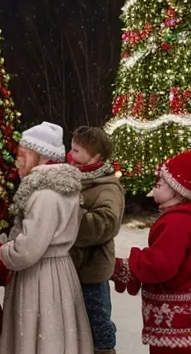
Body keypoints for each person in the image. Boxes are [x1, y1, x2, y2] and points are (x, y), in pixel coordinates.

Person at [0, 121, 94, 354]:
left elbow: (29, 249)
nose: (17, 161)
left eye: (23, 155)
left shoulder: (45, 195)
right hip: (57, 271)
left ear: (41, 157)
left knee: (44, 331)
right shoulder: (58, 190)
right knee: (56, 331)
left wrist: (3, 251)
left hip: (42, 276)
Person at [111, 150, 191, 354]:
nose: (154, 187)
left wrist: (124, 266)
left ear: (177, 191)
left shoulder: (176, 223)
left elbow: (161, 265)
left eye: (159, 184)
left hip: (175, 320)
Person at [68, 126, 125, 354]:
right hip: (73, 266)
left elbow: (106, 223)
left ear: (97, 157)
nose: (71, 155)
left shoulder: (107, 187)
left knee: (97, 320)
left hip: (92, 270)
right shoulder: (73, 177)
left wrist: (71, 214)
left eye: (78, 151)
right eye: (71, 148)